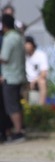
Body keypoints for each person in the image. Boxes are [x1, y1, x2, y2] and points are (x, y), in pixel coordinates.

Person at [0, 14, 26, 143]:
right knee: (16, 104)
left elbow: (4, 58)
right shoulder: (18, 36)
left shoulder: (9, 38)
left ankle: (18, 132)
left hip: (10, 76)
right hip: (19, 74)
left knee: (11, 106)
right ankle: (20, 129)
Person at [24, 36, 49, 105]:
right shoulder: (23, 56)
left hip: (37, 81)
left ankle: (41, 106)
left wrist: (34, 81)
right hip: (26, 81)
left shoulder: (40, 55)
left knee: (42, 82)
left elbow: (44, 73)